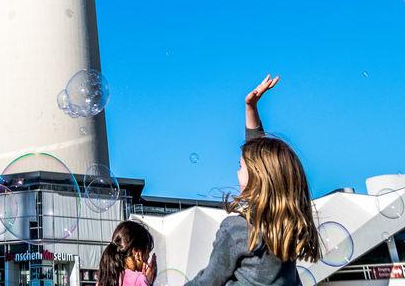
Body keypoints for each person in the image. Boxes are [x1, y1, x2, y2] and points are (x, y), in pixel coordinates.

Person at [184, 75, 320, 286]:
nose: (237, 171)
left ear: (257, 178)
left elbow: (209, 281)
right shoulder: (288, 229)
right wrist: (251, 108)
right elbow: (266, 162)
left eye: (240, 166)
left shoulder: (237, 228)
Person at [97, 220, 157, 286]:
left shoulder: (103, 281)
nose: (148, 257)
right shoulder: (139, 279)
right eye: (147, 252)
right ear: (137, 253)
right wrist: (149, 282)